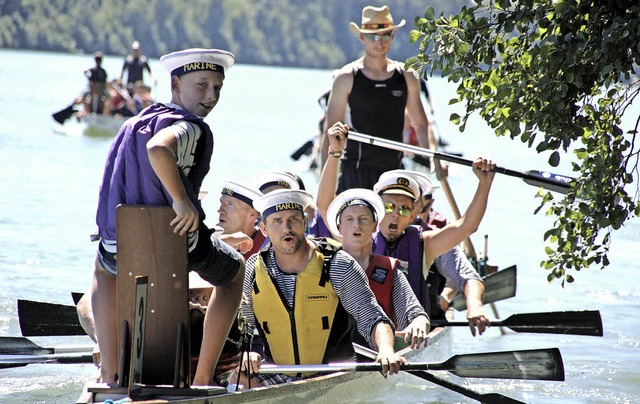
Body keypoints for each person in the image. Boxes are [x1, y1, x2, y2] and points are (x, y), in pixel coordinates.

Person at [90, 48, 246, 386]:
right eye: (201, 85)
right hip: (174, 243)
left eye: (217, 88)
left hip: (119, 247)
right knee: (234, 274)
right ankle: (203, 377)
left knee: (102, 274)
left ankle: (111, 373)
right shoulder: (190, 127)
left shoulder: (132, 122)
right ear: (175, 84)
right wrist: (181, 201)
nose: (210, 96)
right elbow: (159, 149)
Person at [327, 122, 492, 336]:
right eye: (389, 207)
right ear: (377, 210)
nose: (396, 214)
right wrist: (335, 152)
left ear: (413, 214)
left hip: (411, 334)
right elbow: (325, 205)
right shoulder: (357, 235)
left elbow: (467, 226)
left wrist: (484, 184)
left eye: (404, 209)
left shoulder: (426, 243)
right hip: (364, 335)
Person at [238, 189, 405, 386]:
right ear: (264, 228)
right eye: (277, 221)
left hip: (335, 375)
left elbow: (372, 316)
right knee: (237, 377)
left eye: (293, 219)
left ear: (305, 223)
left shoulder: (337, 263)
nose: (287, 228)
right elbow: (244, 328)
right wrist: (248, 353)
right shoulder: (252, 269)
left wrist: (386, 350)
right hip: (277, 374)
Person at [321, 5, 437, 192]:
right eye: (372, 36)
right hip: (355, 172)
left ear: (392, 36)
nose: (379, 41)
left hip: (393, 174)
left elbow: (422, 125)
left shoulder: (407, 76)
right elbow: (330, 132)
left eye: (385, 35)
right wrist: (324, 184)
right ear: (361, 37)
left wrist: (434, 158)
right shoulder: (346, 77)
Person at [317, 156, 430, 349]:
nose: (357, 225)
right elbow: (322, 202)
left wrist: (419, 322)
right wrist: (334, 153)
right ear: (338, 227)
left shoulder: (391, 270)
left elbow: (414, 311)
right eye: (350, 219)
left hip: (376, 355)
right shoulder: (319, 265)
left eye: (363, 219)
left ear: (375, 225)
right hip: (328, 357)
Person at [216, 180, 267, 258]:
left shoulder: (268, 249)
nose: (220, 210)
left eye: (230, 204)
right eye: (221, 202)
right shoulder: (213, 243)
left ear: (252, 214)